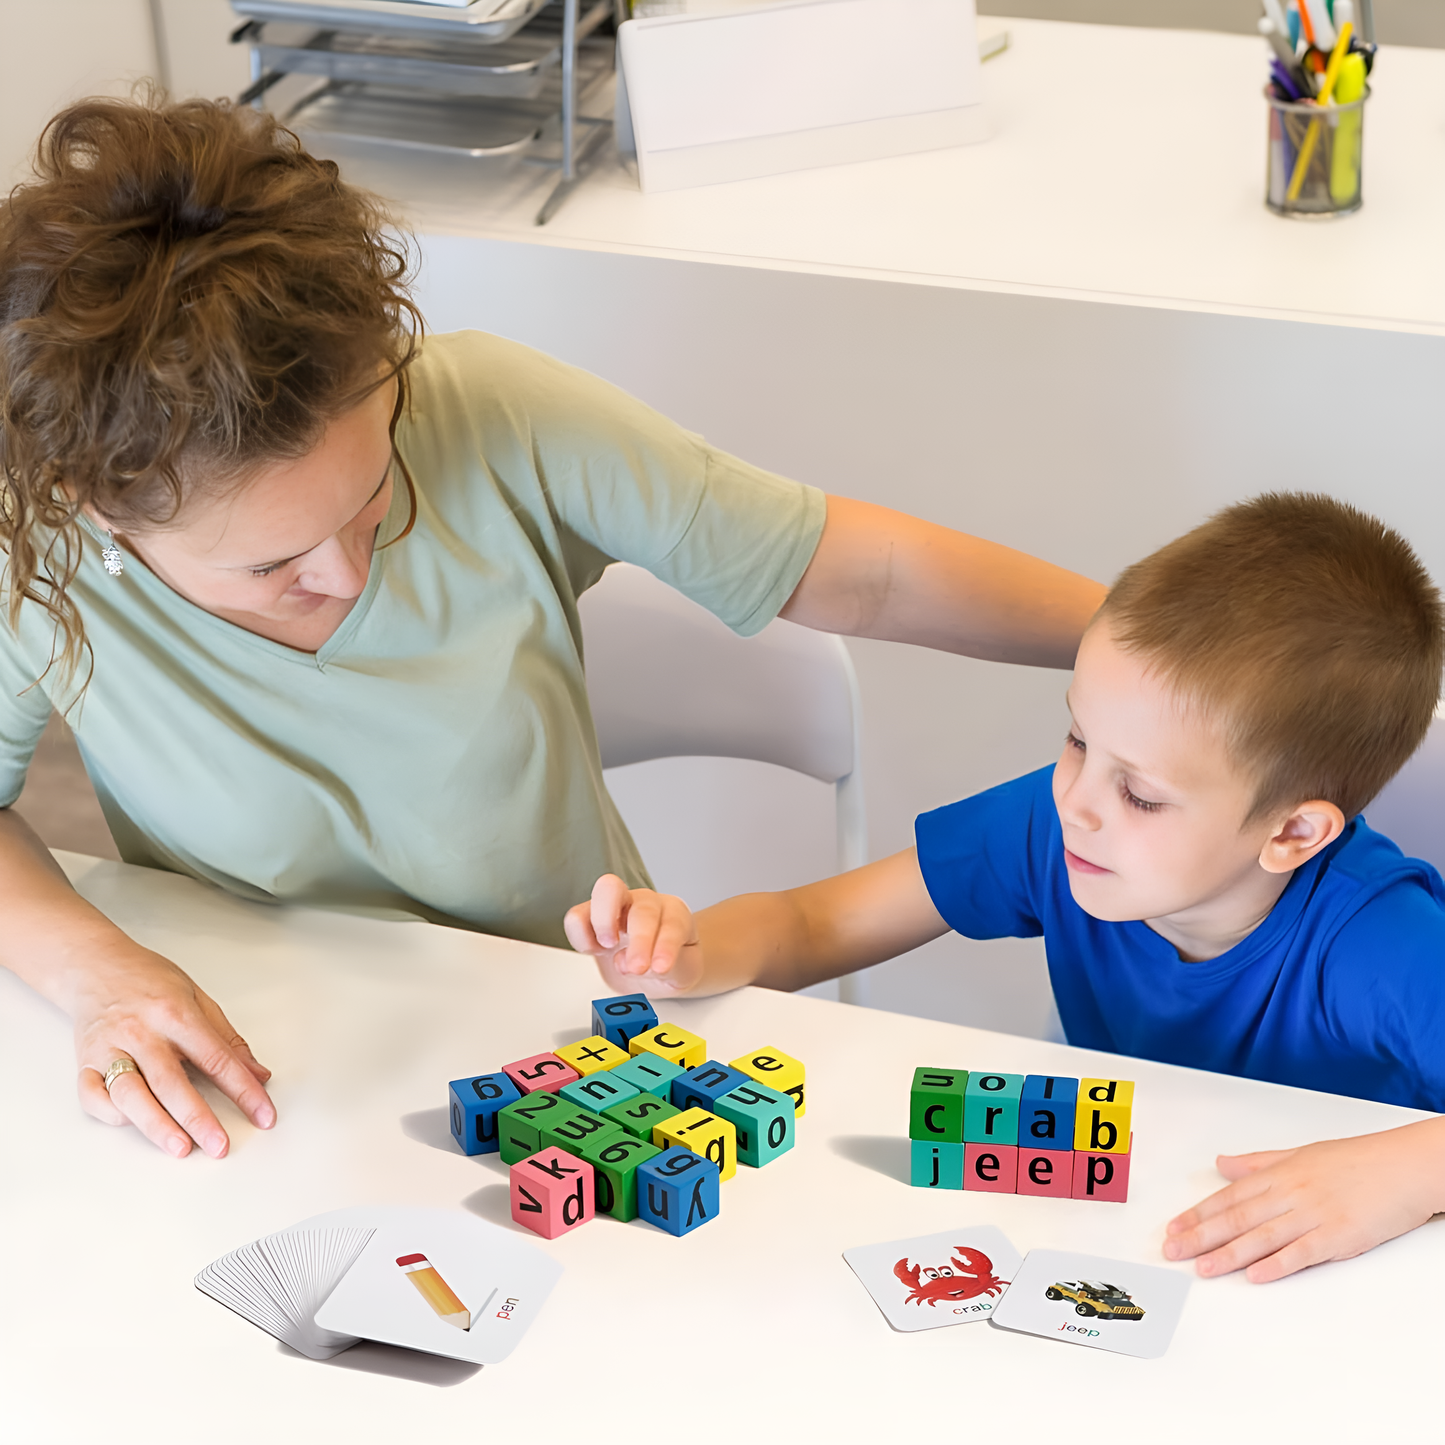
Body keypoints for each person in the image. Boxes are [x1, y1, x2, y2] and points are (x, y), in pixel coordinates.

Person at [0, 94, 1105, 1163]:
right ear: (95, 504)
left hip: (569, 1036)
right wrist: (94, 968)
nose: (343, 572)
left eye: (372, 493)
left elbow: (857, 575)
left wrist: (1145, 647)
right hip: (263, 1073)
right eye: (270, 564)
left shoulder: (490, 409)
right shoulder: (27, 543)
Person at [566, 493, 1445, 1282]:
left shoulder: (1383, 941)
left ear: (1292, 832)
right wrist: (689, 951)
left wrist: (1404, 1172)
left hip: (1330, 1276)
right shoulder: (1054, 821)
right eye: (1074, 739)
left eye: (1139, 792)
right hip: (1138, 1231)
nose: (1077, 802)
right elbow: (813, 920)